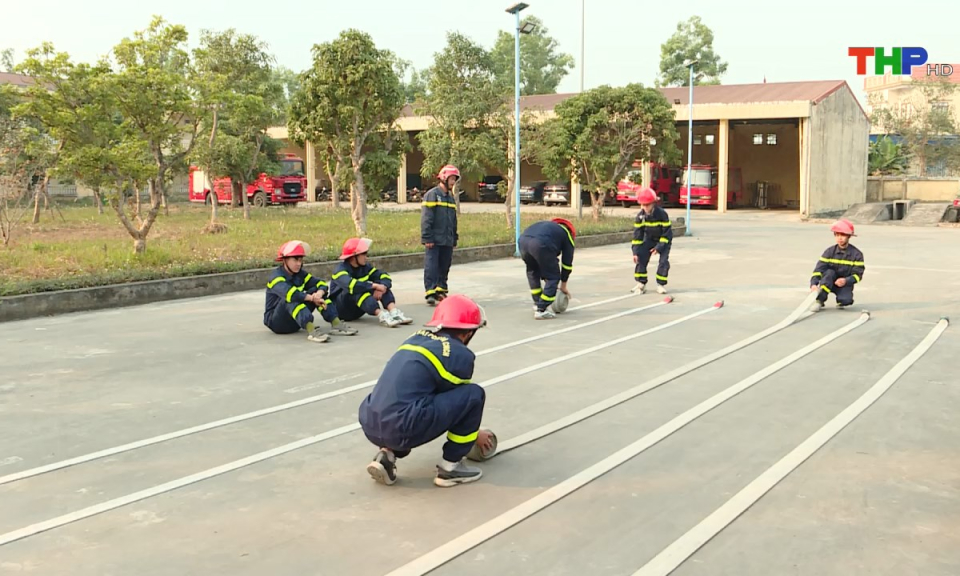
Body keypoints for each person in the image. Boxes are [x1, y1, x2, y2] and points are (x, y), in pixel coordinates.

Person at [359, 294, 494, 487]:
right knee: (474, 394)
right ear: (468, 333)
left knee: (405, 402)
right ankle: (450, 468)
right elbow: (460, 403)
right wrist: (474, 434)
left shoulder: (415, 338)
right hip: (402, 426)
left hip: (370, 420)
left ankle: (386, 455)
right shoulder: (459, 354)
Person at [264, 240, 358, 343]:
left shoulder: (300, 274)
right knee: (291, 299)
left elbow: (321, 283)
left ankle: (336, 324)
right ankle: (312, 331)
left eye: (300, 260)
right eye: (295, 260)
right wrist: (312, 298)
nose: (299, 264)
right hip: (277, 323)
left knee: (316, 292)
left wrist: (319, 294)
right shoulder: (276, 277)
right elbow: (291, 293)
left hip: (295, 323)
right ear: (284, 260)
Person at [331, 237, 413, 328]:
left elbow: (383, 275)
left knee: (381, 287)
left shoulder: (365, 267)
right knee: (358, 290)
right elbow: (352, 286)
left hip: (357, 309)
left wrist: (382, 286)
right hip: (341, 310)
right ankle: (382, 315)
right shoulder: (340, 270)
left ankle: (394, 312)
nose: (366, 257)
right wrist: (374, 286)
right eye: (364, 254)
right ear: (354, 257)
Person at [519, 218, 576, 320]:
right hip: (540, 244)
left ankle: (537, 303)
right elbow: (567, 264)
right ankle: (541, 309)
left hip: (522, 241)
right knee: (553, 277)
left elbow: (545, 261)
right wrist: (563, 286)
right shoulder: (566, 234)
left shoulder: (548, 227)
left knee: (533, 271)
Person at [421, 164, 460, 306]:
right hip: (434, 239)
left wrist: (454, 237)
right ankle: (430, 292)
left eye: (455, 179)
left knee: (445, 265)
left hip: (447, 239)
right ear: (444, 178)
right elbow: (426, 218)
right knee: (431, 265)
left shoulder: (450, 198)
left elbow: (453, 220)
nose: (453, 182)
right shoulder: (432, 195)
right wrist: (427, 237)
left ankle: (441, 289)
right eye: (451, 179)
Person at [809, 219, 865, 312]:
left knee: (846, 300)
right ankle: (819, 300)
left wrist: (846, 280)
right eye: (837, 235)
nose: (840, 238)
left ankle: (841, 300)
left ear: (849, 236)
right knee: (829, 273)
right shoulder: (829, 252)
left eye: (843, 235)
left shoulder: (857, 254)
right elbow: (819, 270)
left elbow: (858, 275)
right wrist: (813, 284)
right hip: (828, 281)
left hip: (844, 283)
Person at [631, 187, 673, 294]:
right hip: (649, 239)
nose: (645, 207)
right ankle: (641, 283)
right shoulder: (640, 216)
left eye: (647, 205)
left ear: (653, 203)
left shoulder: (662, 214)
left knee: (663, 262)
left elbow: (666, 233)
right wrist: (635, 252)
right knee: (641, 257)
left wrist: (658, 248)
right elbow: (637, 236)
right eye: (642, 205)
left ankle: (660, 284)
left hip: (663, 240)